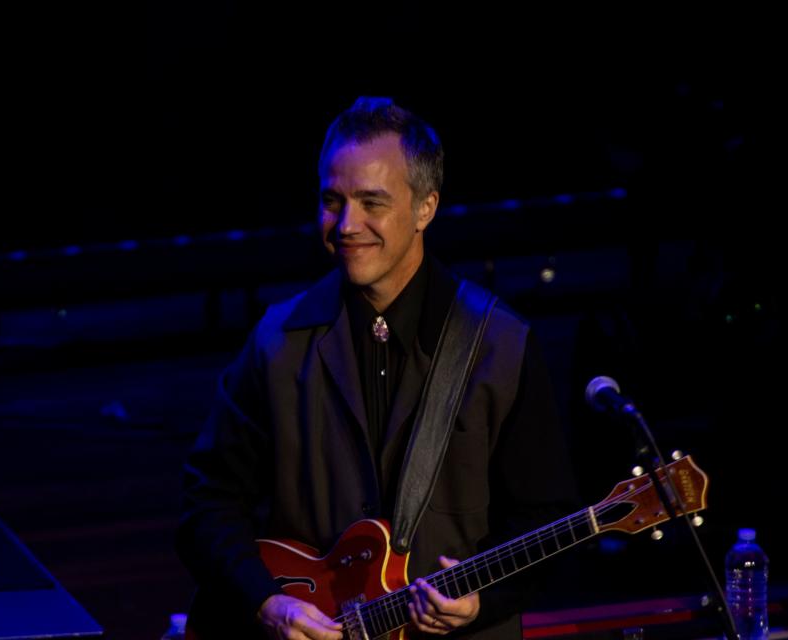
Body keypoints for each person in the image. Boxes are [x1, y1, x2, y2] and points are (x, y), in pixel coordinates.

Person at [176, 97, 579, 639]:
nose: (347, 224)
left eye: (372, 202)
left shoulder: (501, 345)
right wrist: (267, 603)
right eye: (332, 200)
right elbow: (208, 504)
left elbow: (546, 519)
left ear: (425, 208)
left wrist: (483, 601)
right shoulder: (277, 342)